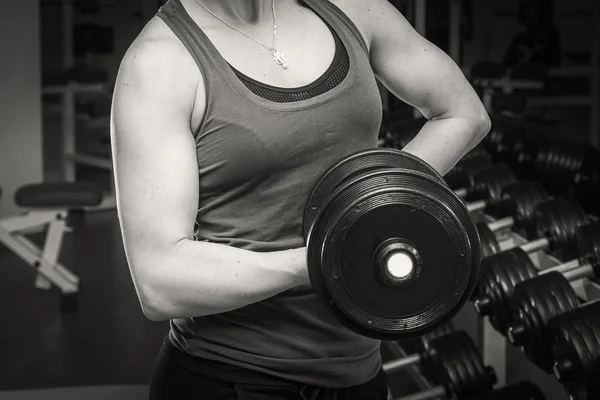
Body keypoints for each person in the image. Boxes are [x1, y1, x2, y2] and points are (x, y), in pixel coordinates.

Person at [110, 0, 490, 398]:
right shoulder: (160, 63)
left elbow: (463, 113)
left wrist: (376, 202)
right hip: (234, 378)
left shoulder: (353, 9)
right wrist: (329, 253)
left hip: (360, 370)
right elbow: (160, 281)